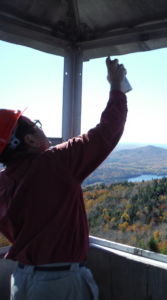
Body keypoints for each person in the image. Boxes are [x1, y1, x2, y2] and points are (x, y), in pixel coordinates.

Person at [0, 56, 128, 300]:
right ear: (28, 140)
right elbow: (107, 132)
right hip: (59, 284)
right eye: (35, 125)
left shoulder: (3, 183)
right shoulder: (54, 163)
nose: (41, 128)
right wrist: (116, 87)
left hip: (21, 281)